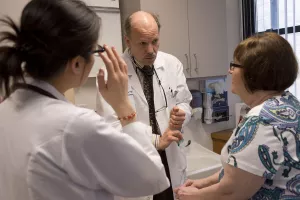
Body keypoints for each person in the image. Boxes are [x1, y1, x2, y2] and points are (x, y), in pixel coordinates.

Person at [0, 1, 171, 200]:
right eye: (95, 51)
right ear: (77, 63)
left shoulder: (7, 108)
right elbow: (151, 178)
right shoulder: (75, 126)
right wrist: (123, 106)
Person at [174, 32, 300, 199]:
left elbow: (233, 190)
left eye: (234, 65)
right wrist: (203, 183)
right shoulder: (288, 103)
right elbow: (245, 169)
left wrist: (193, 196)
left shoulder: (262, 121)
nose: (230, 70)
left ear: (253, 73)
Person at [96, 11, 192, 200]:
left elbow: (185, 101)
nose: (151, 50)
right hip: (135, 162)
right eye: (142, 43)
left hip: (171, 160)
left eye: (155, 41)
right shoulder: (111, 75)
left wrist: (182, 114)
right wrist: (155, 141)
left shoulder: (172, 64)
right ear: (128, 41)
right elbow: (110, 127)